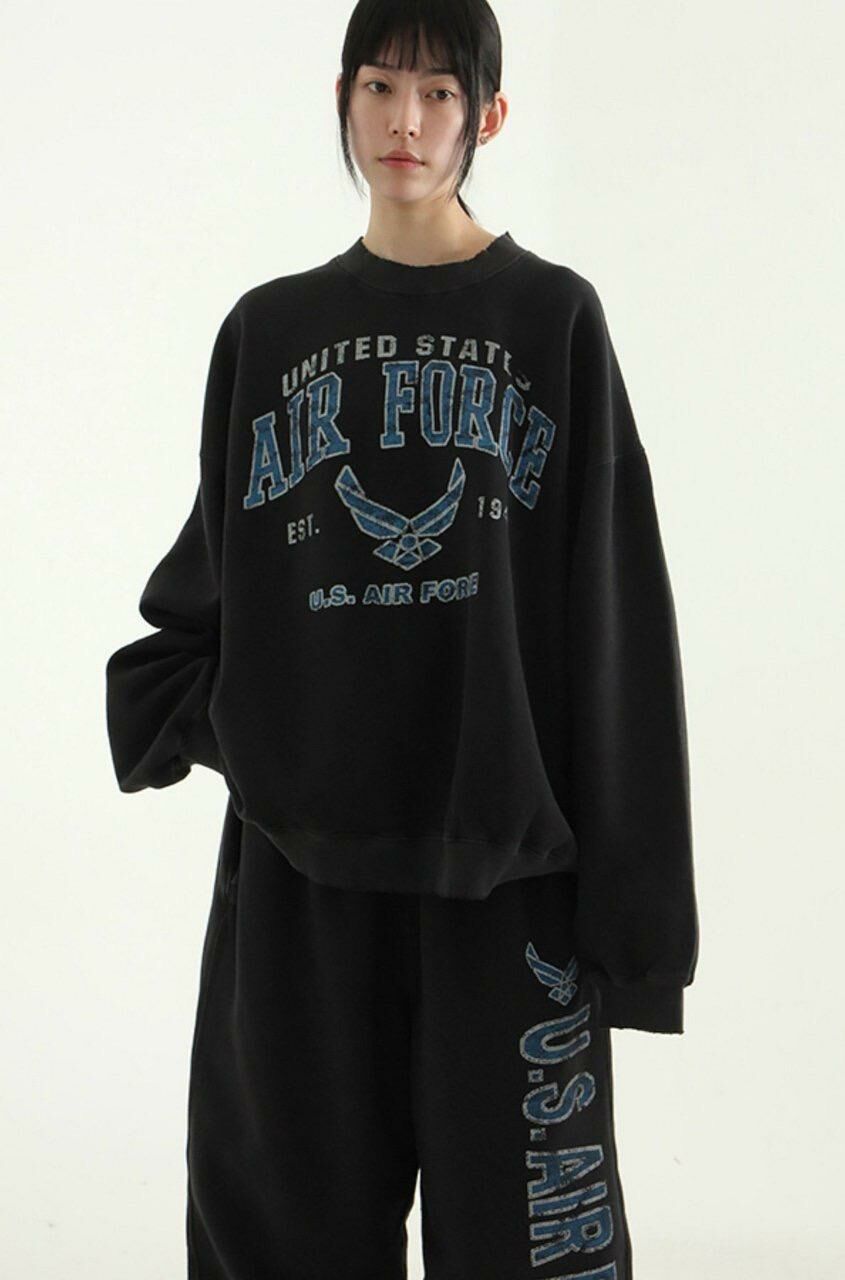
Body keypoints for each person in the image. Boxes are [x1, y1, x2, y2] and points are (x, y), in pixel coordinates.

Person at [105, 1, 699, 1276]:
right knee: (280, 1245)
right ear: (342, 100)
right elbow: (201, 605)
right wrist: (258, 734)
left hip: (508, 880)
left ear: (488, 115)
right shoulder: (268, 331)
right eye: (379, 86)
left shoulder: (552, 319)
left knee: (530, 1253)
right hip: (299, 884)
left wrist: (639, 933)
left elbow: (617, 630)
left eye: (438, 94)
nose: (405, 122)